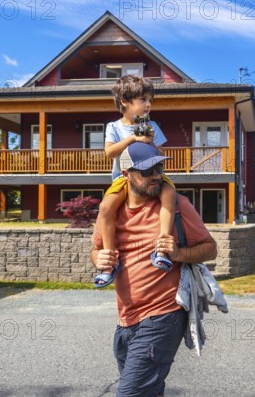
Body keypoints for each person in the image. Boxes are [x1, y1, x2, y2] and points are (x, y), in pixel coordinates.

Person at [91, 142, 218, 397]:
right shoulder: (112, 211)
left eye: (159, 168)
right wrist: (99, 259)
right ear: (126, 174)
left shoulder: (178, 206)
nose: (156, 176)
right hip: (126, 321)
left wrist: (177, 253)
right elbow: (95, 249)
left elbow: (210, 248)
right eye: (147, 171)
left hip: (162, 317)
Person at [95, 75, 177, 288]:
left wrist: (150, 142)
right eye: (142, 99)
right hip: (124, 179)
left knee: (170, 195)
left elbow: (162, 152)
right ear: (125, 101)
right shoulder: (114, 127)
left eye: (150, 99)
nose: (148, 104)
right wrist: (132, 138)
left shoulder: (152, 126)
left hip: (154, 175)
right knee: (105, 208)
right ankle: (110, 262)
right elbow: (109, 152)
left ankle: (162, 248)